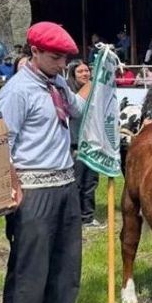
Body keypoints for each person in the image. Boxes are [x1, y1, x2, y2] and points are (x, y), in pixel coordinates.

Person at [0, 22, 91, 303]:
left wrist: (95, 78)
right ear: (34, 52)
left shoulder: (59, 82)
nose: (60, 63)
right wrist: (12, 185)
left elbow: (77, 113)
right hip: (33, 189)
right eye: (54, 57)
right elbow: (1, 142)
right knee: (29, 270)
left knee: (65, 266)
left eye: (64, 58)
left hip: (65, 182)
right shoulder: (17, 91)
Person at [67, 60, 101, 229]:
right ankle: (73, 218)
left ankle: (87, 217)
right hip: (76, 145)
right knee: (77, 182)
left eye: (87, 71)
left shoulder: (95, 93)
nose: (85, 74)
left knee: (91, 182)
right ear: (73, 74)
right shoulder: (70, 95)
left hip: (92, 143)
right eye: (80, 71)